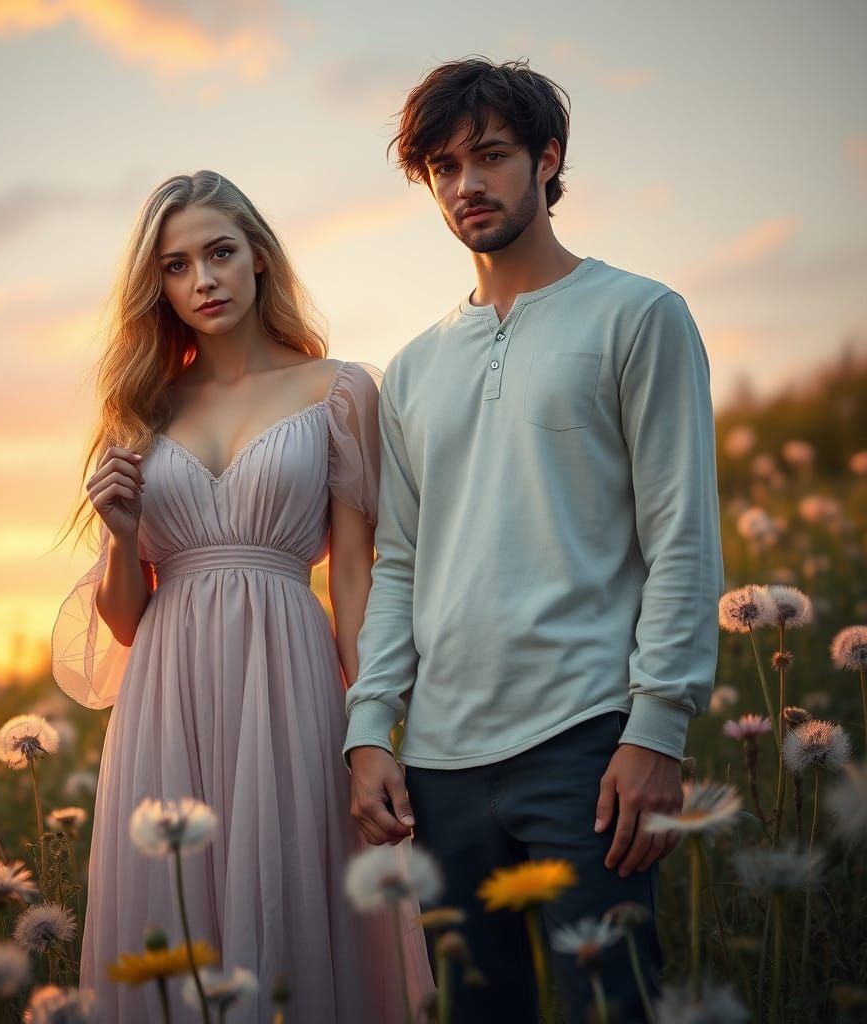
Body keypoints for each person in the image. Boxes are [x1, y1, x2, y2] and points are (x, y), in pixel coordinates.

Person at [344, 58, 724, 1023]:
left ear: (547, 160)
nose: (466, 184)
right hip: (439, 764)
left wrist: (658, 728)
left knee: (615, 1008)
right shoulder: (415, 368)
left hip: (588, 745)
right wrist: (368, 728)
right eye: (441, 166)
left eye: (492, 156)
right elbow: (399, 561)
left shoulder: (639, 315)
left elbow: (681, 530)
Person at [53, 171, 430, 1023]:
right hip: (165, 697)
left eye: (219, 254)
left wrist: (373, 731)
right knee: (175, 925)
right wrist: (118, 532)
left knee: (293, 904)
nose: (203, 282)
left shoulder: (339, 390)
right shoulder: (139, 411)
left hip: (292, 680)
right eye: (177, 268)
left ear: (259, 256)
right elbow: (123, 619)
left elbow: (356, 578)